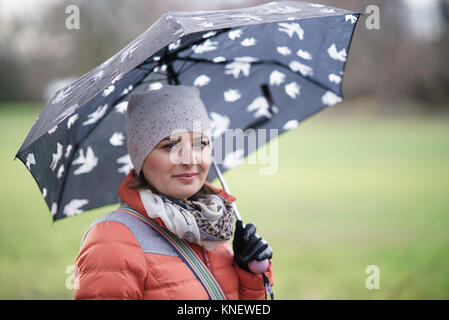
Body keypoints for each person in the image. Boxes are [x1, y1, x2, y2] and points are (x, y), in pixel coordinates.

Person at [74, 85, 274, 300]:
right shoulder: (111, 240)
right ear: (140, 157)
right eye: (170, 146)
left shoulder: (212, 226)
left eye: (201, 144)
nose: (190, 159)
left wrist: (250, 275)